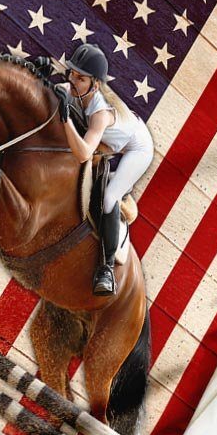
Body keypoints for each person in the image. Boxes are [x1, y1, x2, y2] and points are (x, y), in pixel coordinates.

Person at [47, 43, 154, 297]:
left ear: (94, 85)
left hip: (137, 148)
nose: (73, 80)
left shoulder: (100, 112)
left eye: (80, 78)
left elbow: (83, 153)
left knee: (108, 197)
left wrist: (65, 120)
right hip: (115, 138)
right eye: (71, 73)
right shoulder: (77, 90)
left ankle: (105, 269)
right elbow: (54, 91)